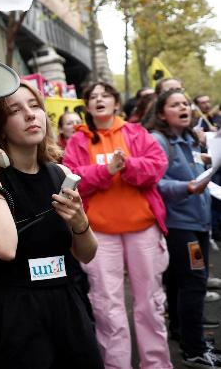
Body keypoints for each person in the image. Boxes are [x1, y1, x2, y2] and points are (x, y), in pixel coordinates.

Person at [0, 82, 101, 368]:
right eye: (15, 110)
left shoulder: (61, 173)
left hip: (68, 304)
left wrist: (80, 223)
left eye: (34, 106)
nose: (30, 115)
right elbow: (4, 247)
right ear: (0, 127)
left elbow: (87, 253)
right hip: (15, 312)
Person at [62, 82, 172, 369]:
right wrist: (106, 170)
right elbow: (72, 180)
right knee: (107, 306)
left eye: (104, 96)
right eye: (92, 97)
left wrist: (128, 166)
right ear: (87, 107)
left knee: (150, 303)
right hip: (98, 234)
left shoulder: (136, 133)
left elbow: (157, 166)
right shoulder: (77, 141)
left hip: (143, 230)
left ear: (115, 103)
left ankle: (157, 364)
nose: (98, 100)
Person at [147, 88, 216, 367]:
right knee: (194, 282)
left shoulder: (191, 139)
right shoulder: (159, 140)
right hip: (180, 226)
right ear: (163, 113)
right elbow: (155, 183)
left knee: (179, 283)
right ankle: (195, 349)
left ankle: (183, 334)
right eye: (175, 105)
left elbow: (200, 173)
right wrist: (186, 188)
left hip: (200, 223)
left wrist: (207, 155)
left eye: (185, 103)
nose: (184, 108)